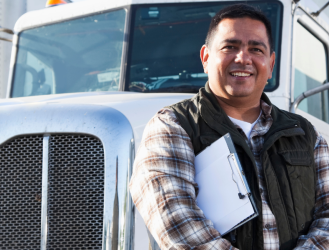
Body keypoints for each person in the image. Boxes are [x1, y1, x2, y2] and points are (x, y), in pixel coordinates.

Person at [129, 4, 329, 250]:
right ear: (205, 57)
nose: (243, 58)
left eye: (256, 49)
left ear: (271, 63)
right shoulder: (172, 126)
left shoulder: (307, 134)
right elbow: (176, 220)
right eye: (229, 47)